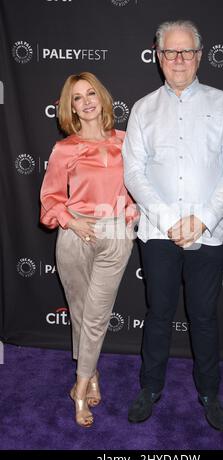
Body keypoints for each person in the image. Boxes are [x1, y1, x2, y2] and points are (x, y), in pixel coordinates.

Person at [123, 20, 223, 431]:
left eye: (187, 52)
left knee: (205, 316)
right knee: (158, 313)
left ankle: (209, 392)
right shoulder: (143, 108)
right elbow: (134, 173)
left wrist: (204, 219)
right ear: (158, 57)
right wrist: (169, 219)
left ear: (199, 55)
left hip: (209, 233)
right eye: (170, 52)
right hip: (158, 233)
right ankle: (150, 387)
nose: (179, 60)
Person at [40, 72, 137, 427]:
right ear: (71, 108)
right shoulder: (65, 148)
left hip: (115, 233)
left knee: (96, 315)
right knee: (80, 312)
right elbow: (50, 196)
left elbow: (141, 187)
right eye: (77, 98)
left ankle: (78, 390)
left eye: (91, 93)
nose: (86, 101)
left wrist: (129, 216)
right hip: (75, 233)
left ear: (102, 97)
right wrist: (69, 220)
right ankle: (92, 373)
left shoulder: (127, 141)